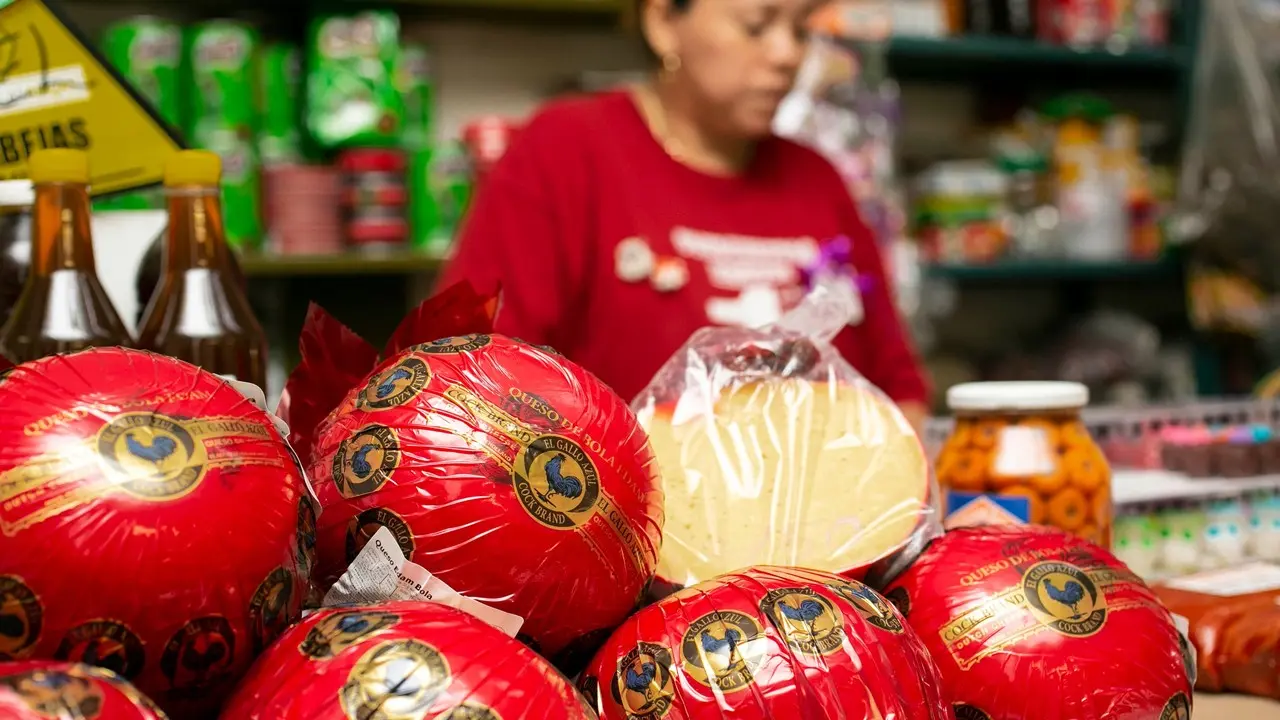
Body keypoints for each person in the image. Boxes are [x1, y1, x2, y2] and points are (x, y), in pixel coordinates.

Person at [438, 0, 930, 431]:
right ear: (663, 22)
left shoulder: (819, 178)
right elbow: (474, 373)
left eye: (801, 29)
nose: (787, 55)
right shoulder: (565, 151)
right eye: (757, 25)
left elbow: (898, 386)